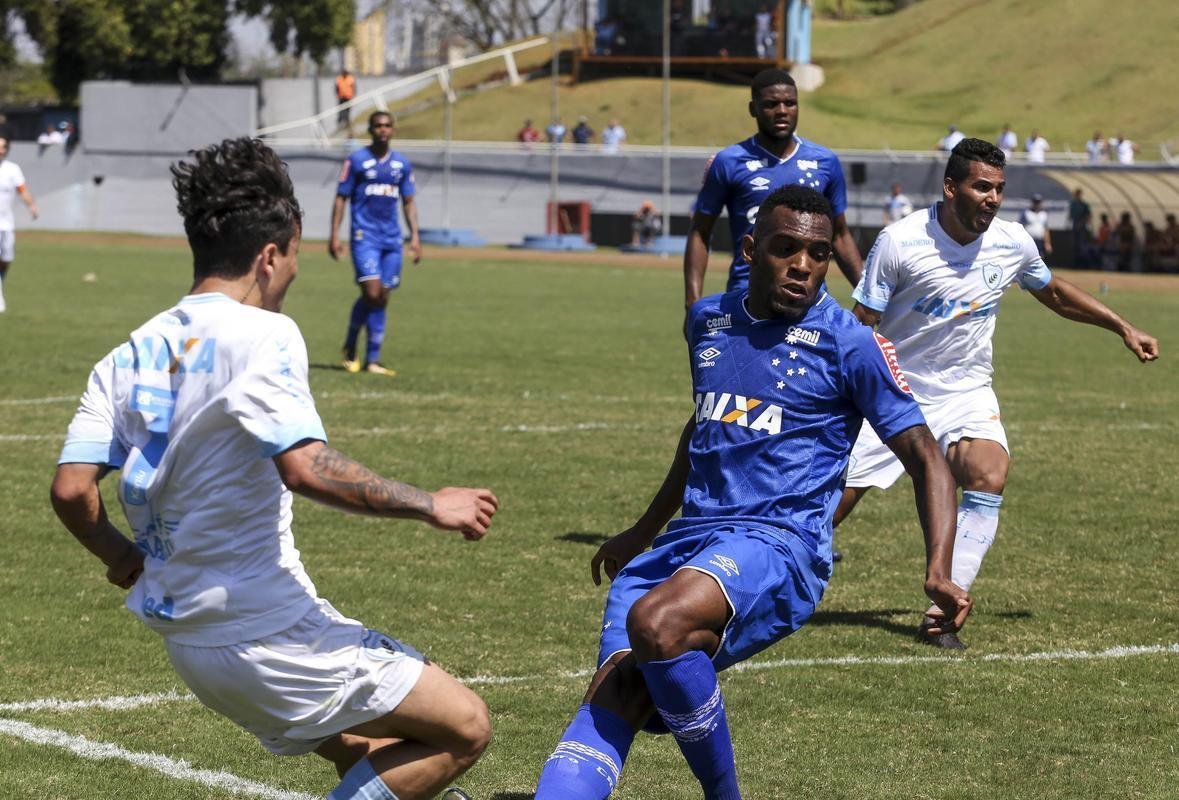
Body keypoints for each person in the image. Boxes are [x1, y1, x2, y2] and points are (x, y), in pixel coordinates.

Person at [50, 137, 500, 800]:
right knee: (465, 726)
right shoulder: (264, 334)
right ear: (268, 255)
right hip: (266, 630)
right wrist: (432, 503)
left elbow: (70, 490)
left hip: (191, 642)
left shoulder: (131, 349)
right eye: (293, 258)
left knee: (366, 751)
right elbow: (307, 467)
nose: (292, 275)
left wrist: (122, 556)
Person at [533, 185, 971, 800]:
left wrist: (938, 569)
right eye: (786, 248)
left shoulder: (852, 344)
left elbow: (928, 458)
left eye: (818, 254)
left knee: (656, 622)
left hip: (779, 544)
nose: (803, 265)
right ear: (750, 248)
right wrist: (643, 528)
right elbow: (705, 426)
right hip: (687, 542)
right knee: (622, 691)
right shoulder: (707, 322)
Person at [836, 139, 1159, 649]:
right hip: (896, 393)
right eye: (981, 186)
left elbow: (1052, 293)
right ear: (950, 187)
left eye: (999, 189)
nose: (992, 197)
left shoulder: (1013, 242)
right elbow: (862, 326)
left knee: (989, 472)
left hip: (966, 391)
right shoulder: (900, 241)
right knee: (827, 510)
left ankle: (942, 612)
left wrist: (1122, 326)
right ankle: (750, 585)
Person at [684, 69, 863, 322]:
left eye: (790, 103)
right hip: (748, 297)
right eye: (771, 104)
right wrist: (691, 302)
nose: (782, 110)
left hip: (809, 299)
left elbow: (840, 234)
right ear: (752, 108)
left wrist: (867, 295)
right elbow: (700, 231)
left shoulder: (825, 161)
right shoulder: (728, 162)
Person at [329, 111, 422, 377]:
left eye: (387, 125)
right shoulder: (356, 161)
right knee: (371, 293)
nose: (383, 130)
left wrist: (415, 235)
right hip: (364, 237)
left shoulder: (401, 165)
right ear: (370, 130)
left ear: (393, 129)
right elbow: (340, 199)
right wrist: (334, 235)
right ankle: (350, 343)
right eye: (378, 126)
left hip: (392, 240)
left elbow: (409, 201)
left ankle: (372, 360)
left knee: (382, 297)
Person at [0, 136, 39, 314]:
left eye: (3, 147)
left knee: (6, 259)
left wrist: (31, 206)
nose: (0, 150)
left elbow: (22, 190)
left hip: (6, 224)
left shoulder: (12, 169)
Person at [1019, 192, 1052, 260]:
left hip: (1040, 241)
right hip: (1029, 241)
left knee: (1040, 258)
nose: (1037, 204)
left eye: (1038, 202)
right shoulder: (1026, 212)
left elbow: (1046, 229)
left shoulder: (1044, 214)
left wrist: (1047, 243)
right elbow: (1020, 228)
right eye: (1035, 202)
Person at [1067, 188, 1092, 267]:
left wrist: (1082, 223)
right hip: (1075, 226)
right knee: (1074, 246)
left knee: (1082, 246)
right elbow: (1070, 216)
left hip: (1082, 227)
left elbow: (1088, 216)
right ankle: (1075, 264)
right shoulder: (1073, 204)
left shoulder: (1084, 204)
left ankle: (1083, 264)